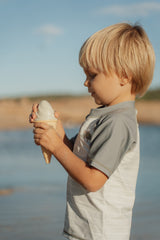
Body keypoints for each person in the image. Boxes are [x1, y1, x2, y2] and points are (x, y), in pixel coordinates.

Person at [29, 23, 155, 240]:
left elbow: (93, 180)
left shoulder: (118, 123)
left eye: (93, 75)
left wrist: (57, 147)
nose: (85, 82)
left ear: (124, 76)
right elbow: (80, 159)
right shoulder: (104, 116)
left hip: (102, 232)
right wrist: (57, 133)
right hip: (87, 229)